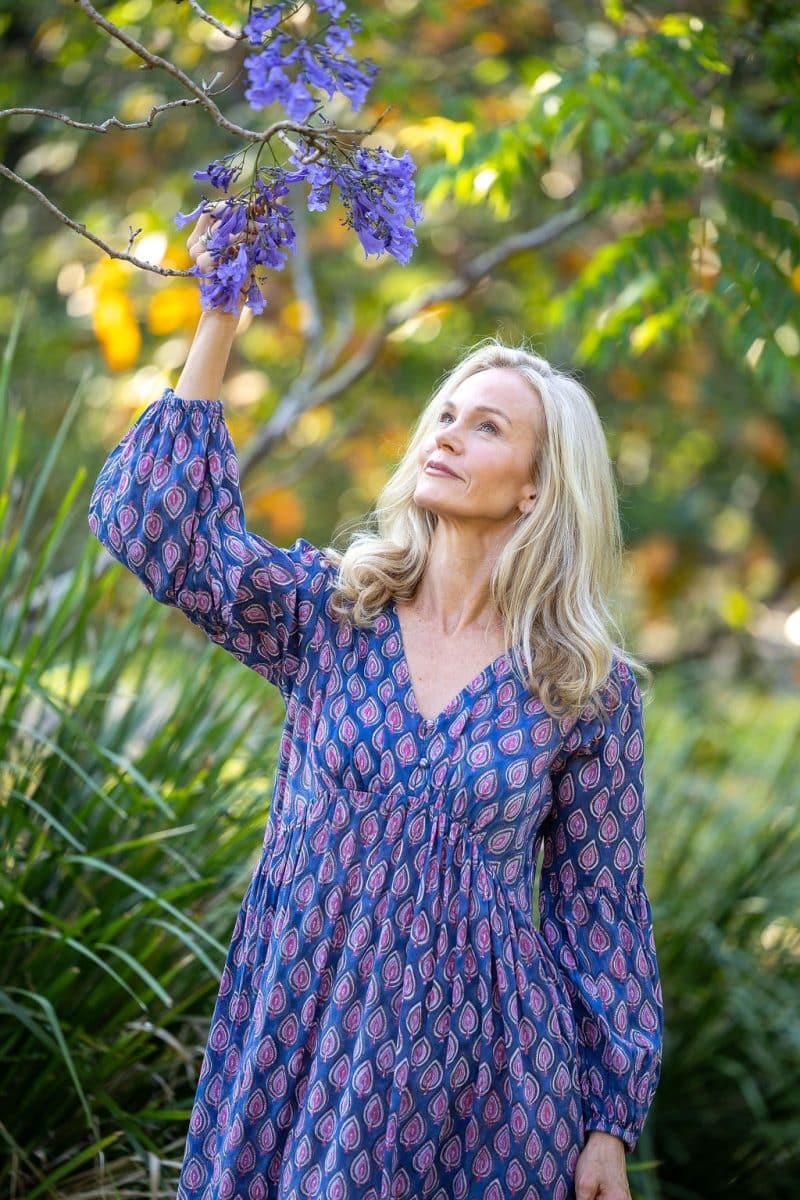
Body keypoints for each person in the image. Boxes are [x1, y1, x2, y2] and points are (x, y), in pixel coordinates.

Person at [87, 207, 663, 1200]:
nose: (446, 431)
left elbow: (597, 910)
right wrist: (219, 312)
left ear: (534, 488)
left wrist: (606, 1124)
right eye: (444, 411)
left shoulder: (582, 685)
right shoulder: (332, 612)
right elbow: (158, 531)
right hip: (299, 1039)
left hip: (484, 1087)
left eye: (486, 426)